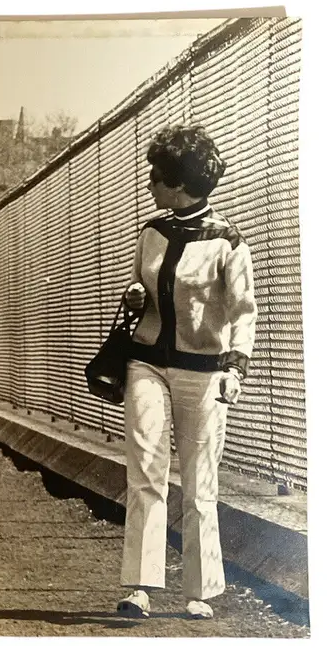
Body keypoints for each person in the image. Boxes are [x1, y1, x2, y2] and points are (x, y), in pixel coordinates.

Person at [116, 125, 257, 620]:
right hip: (147, 364)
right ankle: (139, 586)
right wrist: (135, 296)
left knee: (199, 484)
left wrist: (236, 367)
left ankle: (200, 591)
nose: (150, 184)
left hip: (205, 373)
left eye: (158, 176)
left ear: (179, 183)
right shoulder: (150, 232)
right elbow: (140, 288)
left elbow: (243, 311)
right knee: (145, 473)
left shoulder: (228, 242)